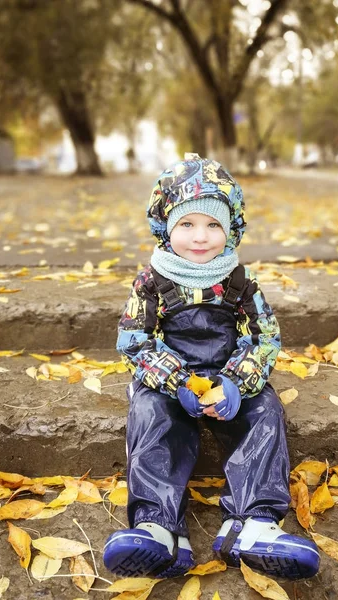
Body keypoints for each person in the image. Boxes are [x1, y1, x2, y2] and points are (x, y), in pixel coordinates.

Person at [103, 153, 320, 580]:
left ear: (232, 227)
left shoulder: (240, 281)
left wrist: (237, 382)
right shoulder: (152, 282)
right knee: (150, 415)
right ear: (165, 225)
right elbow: (134, 341)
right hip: (170, 382)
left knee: (267, 413)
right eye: (187, 224)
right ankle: (158, 525)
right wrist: (178, 380)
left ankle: (252, 523)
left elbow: (263, 337)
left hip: (228, 377)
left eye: (213, 225)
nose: (200, 237)